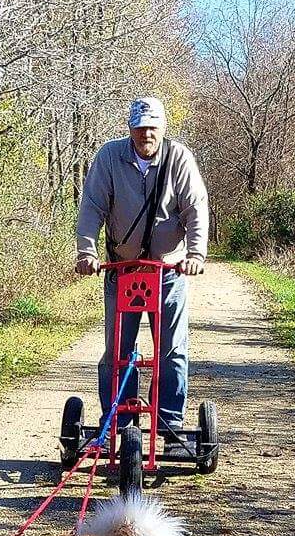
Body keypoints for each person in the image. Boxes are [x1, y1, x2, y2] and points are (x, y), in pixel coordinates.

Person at [73, 95, 210, 432]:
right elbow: (92, 208)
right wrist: (86, 252)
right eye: (140, 128)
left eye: (152, 127)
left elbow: (196, 210)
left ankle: (169, 424)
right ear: (130, 129)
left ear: (162, 128)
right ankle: (120, 422)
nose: (146, 134)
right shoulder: (109, 157)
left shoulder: (179, 159)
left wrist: (196, 255)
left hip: (168, 273)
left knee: (172, 351)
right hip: (123, 271)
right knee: (118, 352)